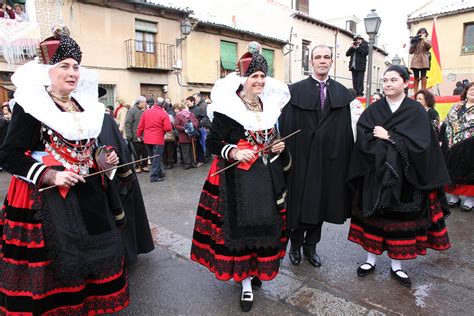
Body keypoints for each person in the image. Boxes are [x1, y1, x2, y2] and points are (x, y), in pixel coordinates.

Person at [0, 27, 129, 314]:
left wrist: (103, 160)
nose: (72, 73)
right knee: (58, 267)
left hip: (89, 194)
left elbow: (87, 148)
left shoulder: (83, 105)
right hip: (46, 198)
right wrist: (51, 175)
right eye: (64, 66)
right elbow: (8, 156)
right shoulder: (31, 105)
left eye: (76, 67)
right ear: (47, 70)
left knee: (94, 259)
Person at [190, 43, 291, 313]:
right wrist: (233, 151)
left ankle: (257, 271)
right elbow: (211, 143)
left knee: (265, 227)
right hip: (236, 181)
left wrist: (278, 145)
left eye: (261, 77)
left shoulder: (268, 106)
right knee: (242, 232)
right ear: (243, 79)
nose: (258, 81)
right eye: (253, 76)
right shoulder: (227, 107)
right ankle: (245, 283)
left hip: (266, 179)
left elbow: (269, 139)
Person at [347, 65, 450, 288]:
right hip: (377, 175)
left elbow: (422, 145)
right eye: (385, 80)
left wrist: (390, 137)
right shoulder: (374, 109)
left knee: (400, 223)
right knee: (374, 219)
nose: (388, 84)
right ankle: (370, 260)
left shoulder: (415, 111)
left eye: (393, 80)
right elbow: (364, 136)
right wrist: (381, 147)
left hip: (406, 179)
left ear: (405, 83)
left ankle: (397, 266)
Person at [280, 44, 361, 268]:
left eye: (326, 57)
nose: (322, 61)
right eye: (318, 57)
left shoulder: (341, 93)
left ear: (331, 62)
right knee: (299, 204)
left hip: (329, 161)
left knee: (321, 204)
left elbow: (345, 132)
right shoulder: (295, 91)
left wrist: (343, 160)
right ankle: (295, 246)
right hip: (301, 159)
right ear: (311, 62)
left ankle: (311, 247)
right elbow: (287, 127)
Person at [439, 82, 474, 212]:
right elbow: (446, 123)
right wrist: (441, 139)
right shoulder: (456, 107)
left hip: (471, 146)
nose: (473, 91)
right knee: (452, 169)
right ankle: (454, 197)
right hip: (452, 144)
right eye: (471, 89)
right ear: (466, 91)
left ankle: (470, 200)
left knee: (470, 171)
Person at [136, 96, 172, 182]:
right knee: (156, 158)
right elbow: (168, 128)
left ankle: (159, 172)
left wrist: (139, 135)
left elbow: (140, 126)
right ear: (163, 105)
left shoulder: (146, 112)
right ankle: (154, 176)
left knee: (153, 158)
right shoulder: (164, 114)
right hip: (158, 139)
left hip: (147, 139)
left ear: (155, 103)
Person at [125, 96, 149, 173]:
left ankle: (144, 165)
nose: (145, 104)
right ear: (140, 102)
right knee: (136, 152)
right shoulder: (131, 111)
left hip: (145, 135)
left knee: (145, 151)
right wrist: (129, 135)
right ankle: (137, 166)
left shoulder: (145, 110)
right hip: (135, 135)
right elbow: (128, 124)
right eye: (144, 102)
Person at [175, 103, 199, 169]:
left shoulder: (191, 114)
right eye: (186, 107)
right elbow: (176, 125)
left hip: (192, 135)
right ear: (182, 108)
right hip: (183, 136)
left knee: (192, 149)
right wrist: (184, 128)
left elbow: (196, 121)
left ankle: (193, 163)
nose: (187, 108)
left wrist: (193, 125)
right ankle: (187, 164)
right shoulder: (178, 116)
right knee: (185, 151)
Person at [409, 28, 432, 93]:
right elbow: (410, 52)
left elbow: (429, 46)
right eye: (420, 32)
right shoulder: (416, 41)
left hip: (424, 59)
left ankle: (423, 92)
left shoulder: (427, 40)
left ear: (426, 34)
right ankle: (415, 92)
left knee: (423, 76)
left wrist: (423, 39)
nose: (421, 34)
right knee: (416, 76)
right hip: (415, 59)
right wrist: (413, 43)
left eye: (423, 32)